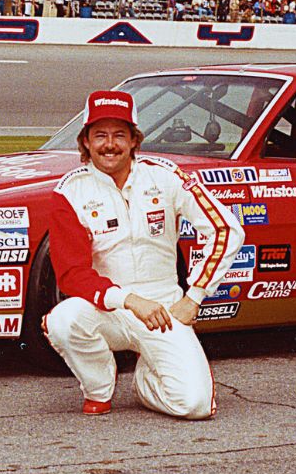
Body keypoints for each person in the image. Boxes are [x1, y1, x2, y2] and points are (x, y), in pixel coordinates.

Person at [44, 90, 244, 418]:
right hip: (109, 309)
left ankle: (145, 383)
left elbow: (225, 229)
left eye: (120, 135)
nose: (110, 144)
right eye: (100, 136)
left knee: (194, 405)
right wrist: (130, 300)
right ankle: (98, 387)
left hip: (165, 310)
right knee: (63, 320)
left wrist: (194, 297)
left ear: (135, 140)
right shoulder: (69, 191)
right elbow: (71, 273)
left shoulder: (165, 175)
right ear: (85, 142)